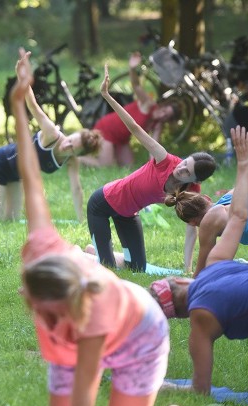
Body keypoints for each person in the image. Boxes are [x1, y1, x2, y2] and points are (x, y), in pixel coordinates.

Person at [12, 48, 184, 406]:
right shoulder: (44, 249)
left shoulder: (91, 323)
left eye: (38, 303)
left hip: (141, 336)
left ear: (64, 303)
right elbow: (32, 180)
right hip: (85, 314)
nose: (25, 299)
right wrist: (20, 101)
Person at [150, 126, 248, 395]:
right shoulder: (230, 200)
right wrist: (244, 161)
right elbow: (245, 203)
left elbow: (200, 278)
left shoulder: (201, 316)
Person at [87, 64, 216, 273]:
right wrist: (108, 96)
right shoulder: (165, 160)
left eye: (187, 172)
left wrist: (188, 267)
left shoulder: (192, 193)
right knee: (106, 269)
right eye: (185, 162)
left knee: (137, 268)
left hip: (128, 214)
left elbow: (191, 229)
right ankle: (83, 255)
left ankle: (93, 251)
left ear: (195, 181)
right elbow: (135, 129)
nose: (181, 168)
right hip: (102, 205)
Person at [0, 83, 101, 221]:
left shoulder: (71, 161)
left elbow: (76, 189)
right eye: (70, 140)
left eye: (72, 148)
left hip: (15, 175)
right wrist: (24, 79)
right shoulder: (51, 135)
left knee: (12, 218)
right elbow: (33, 106)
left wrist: (81, 219)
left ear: (77, 154)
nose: (66, 145)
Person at [166, 129, 248, 277]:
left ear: (192, 222)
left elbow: (203, 272)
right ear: (207, 198)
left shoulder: (209, 221)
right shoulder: (232, 195)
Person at [79, 52, 178, 167]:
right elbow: (136, 86)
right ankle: (77, 157)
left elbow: (154, 148)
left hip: (123, 139)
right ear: (162, 106)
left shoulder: (157, 125)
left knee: (129, 166)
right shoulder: (148, 103)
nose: (162, 115)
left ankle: (110, 152)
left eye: (166, 117)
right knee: (106, 165)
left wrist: (158, 167)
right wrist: (132, 68)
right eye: (164, 111)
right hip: (107, 129)